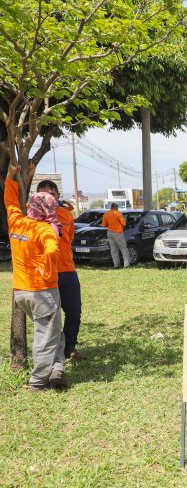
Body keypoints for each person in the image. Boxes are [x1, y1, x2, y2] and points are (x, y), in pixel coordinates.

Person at [4, 161, 64, 391]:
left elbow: (10, 203)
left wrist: (12, 179)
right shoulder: (45, 229)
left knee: (50, 333)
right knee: (45, 337)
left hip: (21, 292)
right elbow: (51, 250)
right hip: (43, 292)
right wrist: (47, 273)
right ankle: (38, 382)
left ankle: (56, 369)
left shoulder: (17, 222)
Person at [37, 180, 84, 361]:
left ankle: (69, 346)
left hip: (68, 270)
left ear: (57, 196)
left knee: (74, 311)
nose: (47, 199)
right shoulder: (32, 217)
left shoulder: (66, 214)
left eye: (51, 194)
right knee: (50, 316)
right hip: (45, 273)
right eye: (42, 195)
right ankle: (54, 352)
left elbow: (68, 238)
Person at [101, 202, 129, 267]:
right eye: (117, 207)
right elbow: (124, 224)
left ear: (111, 207)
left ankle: (116, 265)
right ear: (116, 207)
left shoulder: (106, 213)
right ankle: (126, 264)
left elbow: (103, 225)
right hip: (118, 232)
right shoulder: (118, 213)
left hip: (110, 232)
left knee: (113, 250)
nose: (118, 209)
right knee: (123, 248)